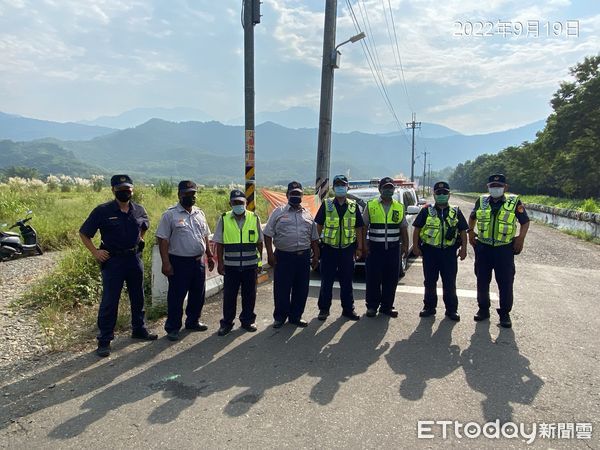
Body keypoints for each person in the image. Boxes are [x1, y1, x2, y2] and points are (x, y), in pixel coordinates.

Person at [80, 174, 157, 357]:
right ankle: (105, 340)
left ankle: (139, 329)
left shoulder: (138, 209)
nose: (125, 192)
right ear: (113, 190)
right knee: (110, 301)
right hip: (113, 261)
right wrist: (95, 252)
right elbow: (84, 233)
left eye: (128, 189)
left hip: (133, 259)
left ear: (133, 189)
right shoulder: (102, 210)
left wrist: (140, 240)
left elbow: (144, 225)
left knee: (138, 297)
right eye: (121, 190)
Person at [468, 174, 530, 328]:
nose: (495, 188)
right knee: (482, 280)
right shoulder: (481, 201)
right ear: (488, 187)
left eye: (498, 186)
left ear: (505, 187)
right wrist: (470, 232)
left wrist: (520, 239)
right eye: (492, 186)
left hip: (504, 249)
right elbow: (472, 217)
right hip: (483, 247)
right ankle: (483, 309)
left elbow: (525, 222)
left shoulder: (514, 202)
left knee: (505, 282)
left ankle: (505, 313)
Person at [156, 180, 215, 341]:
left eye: (193, 194)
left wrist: (209, 255)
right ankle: (173, 327)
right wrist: (166, 263)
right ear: (179, 195)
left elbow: (205, 236)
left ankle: (193, 321)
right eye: (187, 194)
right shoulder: (170, 215)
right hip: (179, 262)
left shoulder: (199, 213)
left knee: (198, 294)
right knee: (176, 296)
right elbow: (163, 240)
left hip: (198, 261)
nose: (190, 197)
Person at [263, 181, 320, 328]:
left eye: (298, 194)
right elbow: (267, 234)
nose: (295, 196)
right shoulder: (278, 212)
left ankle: (296, 316)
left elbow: (314, 238)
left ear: (302, 196)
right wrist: (270, 254)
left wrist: (316, 255)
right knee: (282, 288)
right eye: (293, 193)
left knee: (301, 288)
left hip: (303, 256)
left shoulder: (308, 214)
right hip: (284, 256)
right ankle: (280, 317)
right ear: (287, 195)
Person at [412, 181, 469, 321]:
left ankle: (451, 310)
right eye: (439, 193)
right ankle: (429, 307)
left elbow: (462, 231)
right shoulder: (426, 210)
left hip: (449, 253)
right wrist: (415, 246)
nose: (441, 195)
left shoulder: (456, 211)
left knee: (449, 282)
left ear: (449, 195)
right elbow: (417, 229)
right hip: (430, 252)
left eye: (444, 193)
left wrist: (464, 249)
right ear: (434, 194)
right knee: (430, 281)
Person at [213, 189, 263, 336]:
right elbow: (219, 243)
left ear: (245, 203)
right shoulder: (224, 218)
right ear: (230, 203)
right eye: (235, 202)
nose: (238, 205)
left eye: (240, 202)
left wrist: (259, 263)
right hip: (231, 267)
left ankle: (248, 321)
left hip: (250, 266)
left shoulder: (254, 218)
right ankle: (227, 323)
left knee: (250, 295)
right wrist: (220, 264)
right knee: (229, 296)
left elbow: (259, 243)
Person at [315, 174, 365, 321]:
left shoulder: (353, 205)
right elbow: (319, 225)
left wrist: (360, 248)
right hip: (329, 249)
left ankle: (348, 309)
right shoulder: (327, 204)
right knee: (326, 281)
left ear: (347, 187)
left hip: (347, 249)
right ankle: (324, 309)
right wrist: (317, 245)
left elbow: (359, 228)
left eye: (343, 185)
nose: (340, 188)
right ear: (334, 188)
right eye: (337, 185)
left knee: (347, 281)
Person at [363, 177, 409, 318]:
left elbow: (403, 228)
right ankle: (372, 306)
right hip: (375, 249)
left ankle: (387, 307)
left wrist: (406, 246)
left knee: (391, 279)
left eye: (390, 188)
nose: (388, 190)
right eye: (385, 187)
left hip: (394, 249)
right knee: (373, 278)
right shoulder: (370, 205)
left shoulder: (399, 207)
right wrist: (364, 245)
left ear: (394, 189)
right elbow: (364, 227)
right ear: (380, 189)